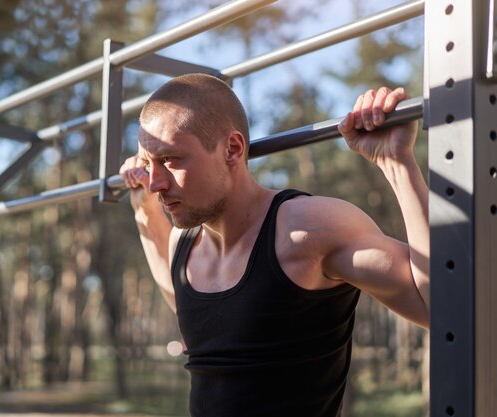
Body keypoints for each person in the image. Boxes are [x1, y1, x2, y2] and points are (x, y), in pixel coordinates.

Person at [119, 73, 428, 417]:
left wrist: (396, 162)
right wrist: (144, 211)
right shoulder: (184, 242)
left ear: (233, 149)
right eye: (148, 164)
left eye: (171, 160)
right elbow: (192, 310)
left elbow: (439, 308)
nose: (157, 183)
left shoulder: (307, 230)